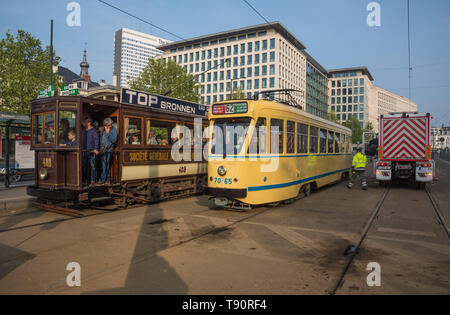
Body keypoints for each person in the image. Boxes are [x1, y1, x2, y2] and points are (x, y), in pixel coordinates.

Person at [99, 117, 118, 185]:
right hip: (102, 150)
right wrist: (101, 147)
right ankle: (104, 178)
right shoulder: (102, 129)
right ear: (105, 125)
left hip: (109, 150)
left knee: (106, 165)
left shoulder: (113, 130)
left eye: (110, 125)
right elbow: (101, 139)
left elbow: (114, 140)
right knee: (103, 165)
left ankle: (106, 179)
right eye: (108, 125)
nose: (109, 126)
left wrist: (108, 133)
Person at [82, 117, 99, 187]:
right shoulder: (83, 131)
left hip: (92, 151)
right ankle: (84, 179)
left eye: (84, 122)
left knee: (93, 166)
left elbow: (96, 140)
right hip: (83, 151)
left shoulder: (94, 131)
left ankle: (93, 181)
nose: (83, 123)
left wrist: (96, 149)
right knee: (83, 166)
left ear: (89, 123)